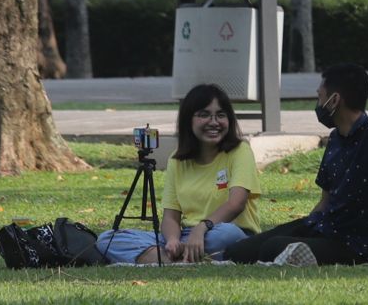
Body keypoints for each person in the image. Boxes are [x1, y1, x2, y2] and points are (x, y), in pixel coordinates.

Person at [224, 63, 368, 268]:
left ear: (334, 100)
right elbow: (326, 201)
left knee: (272, 248)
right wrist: (303, 229)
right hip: (323, 226)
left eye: (319, 97)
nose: (318, 104)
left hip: (354, 243)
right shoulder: (335, 138)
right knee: (238, 251)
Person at [97, 84, 261, 264]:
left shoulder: (239, 151)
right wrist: (173, 240)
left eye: (221, 115)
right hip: (186, 236)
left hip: (224, 232)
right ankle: (180, 256)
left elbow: (236, 203)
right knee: (108, 238)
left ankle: (164, 259)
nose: (214, 122)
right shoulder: (176, 160)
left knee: (227, 235)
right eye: (204, 115)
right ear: (188, 120)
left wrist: (201, 228)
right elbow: (170, 216)